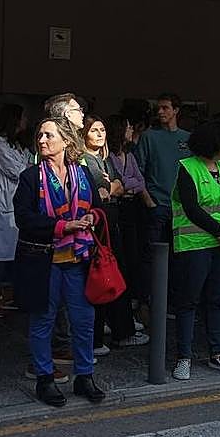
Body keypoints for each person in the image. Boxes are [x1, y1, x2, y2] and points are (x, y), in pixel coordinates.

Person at [13, 117, 106, 406]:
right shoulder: (31, 177)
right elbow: (23, 218)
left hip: (78, 259)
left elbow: (98, 208)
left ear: (66, 140)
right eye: (40, 135)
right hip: (45, 260)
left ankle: (84, 377)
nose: (42, 140)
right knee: (43, 320)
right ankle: (44, 379)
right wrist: (60, 227)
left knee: (83, 320)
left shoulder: (83, 173)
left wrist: (92, 217)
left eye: (49, 135)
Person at [171, 120, 220, 380]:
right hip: (195, 246)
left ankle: (217, 353)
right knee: (189, 301)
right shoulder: (187, 168)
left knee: (216, 300)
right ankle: (184, 357)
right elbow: (192, 208)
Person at [83, 115, 148, 353]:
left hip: (113, 222)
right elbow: (101, 193)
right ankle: (101, 337)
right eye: (94, 130)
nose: (100, 134)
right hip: (99, 226)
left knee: (116, 276)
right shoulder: (85, 161)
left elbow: (119, 185)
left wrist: (112, 187)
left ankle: (119, 331)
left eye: (102, 130)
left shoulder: (106, 160)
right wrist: (112, 188)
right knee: (101, 277)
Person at [0, 104, 33, 319]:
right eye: (22, 118)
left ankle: (7, 296)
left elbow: (33, 165)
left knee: (13, 255)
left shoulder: (21, 146)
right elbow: (20, 172)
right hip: (5, 206)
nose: (25, 122)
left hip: (18, 207)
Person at [134, 93, 190, 246]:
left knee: (180, 257)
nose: (160, 112)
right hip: (157, 205)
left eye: (165, 108)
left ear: (176, 110)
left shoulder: (187, 138)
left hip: (182, 208)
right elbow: (137, 172)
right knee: (154, 257)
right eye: (158, 108)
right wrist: (149, 202)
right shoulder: (148, 137)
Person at [105, 113, 148, 305]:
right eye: (128, 127)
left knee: (133, 254)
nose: (131, 130)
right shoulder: (108, 157)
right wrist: (124, 185)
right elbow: (115, 183)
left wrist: (123, 185)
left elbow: (140, 182)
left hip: (131, 208)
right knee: (118, 254)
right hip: (116, 208)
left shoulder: (129, 155)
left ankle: (132, 298)